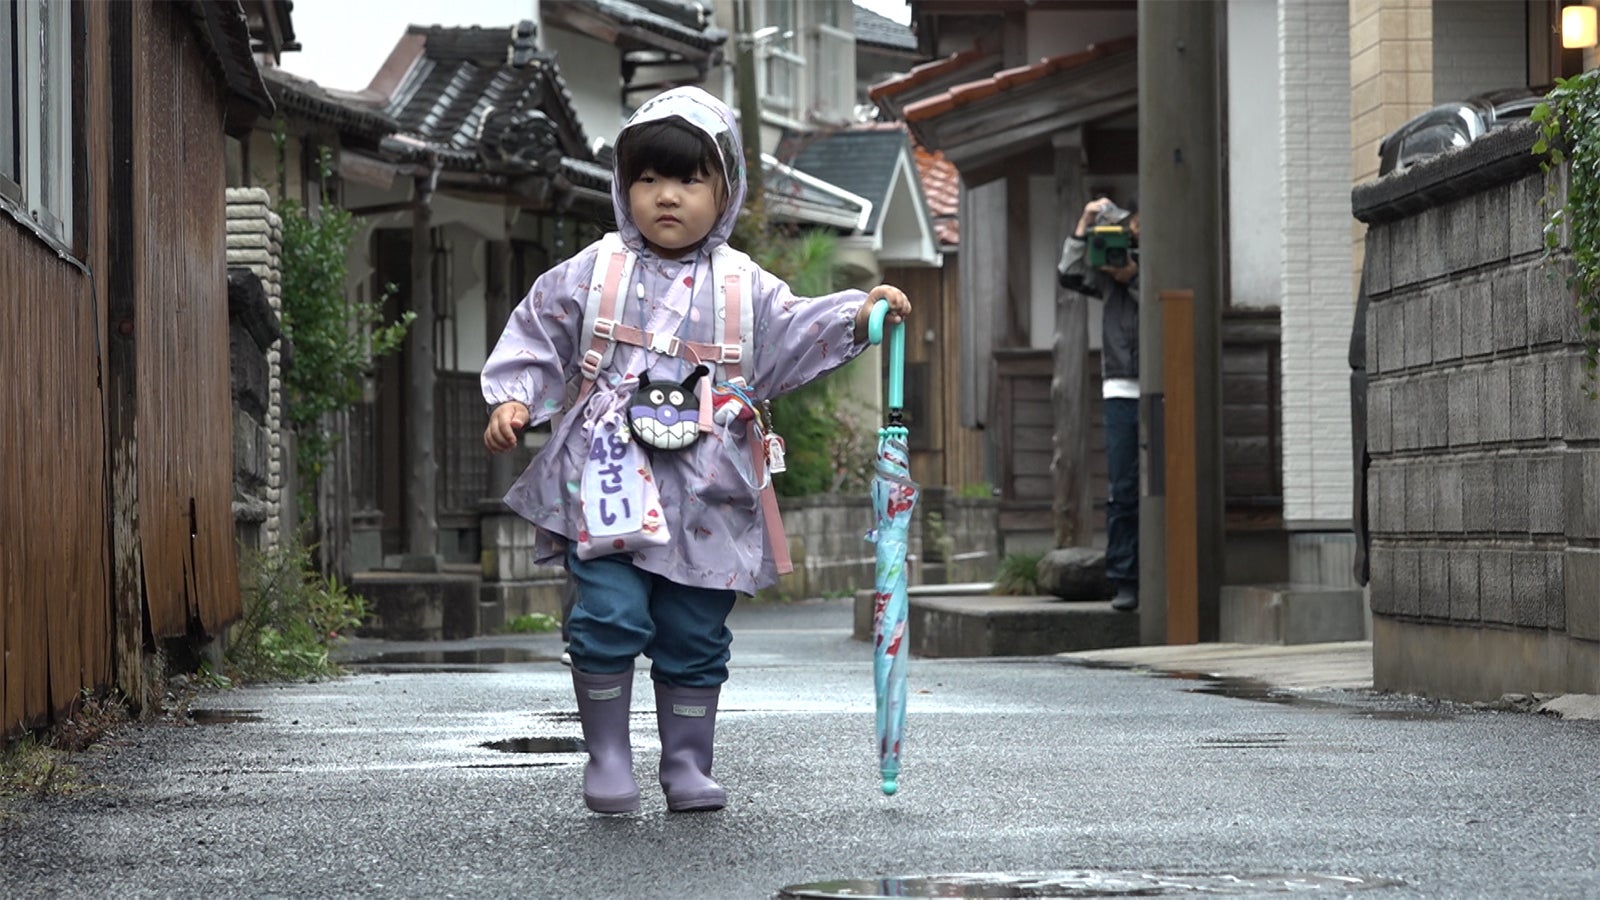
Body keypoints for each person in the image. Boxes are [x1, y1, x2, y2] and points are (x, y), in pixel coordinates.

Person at [480, 86, 911, 815]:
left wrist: (860, 314)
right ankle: (608, 757)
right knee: (608, 613)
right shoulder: (594, 270)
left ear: (725, 190)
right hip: (609, 476)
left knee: (694, 627)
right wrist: (516, 398)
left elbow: (797, 328)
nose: (666, 196)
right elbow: (539, 330)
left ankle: (686, 763)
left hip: (710, 488)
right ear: (624, 188)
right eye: (647, 178)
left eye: (688, 179)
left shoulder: (744, 285)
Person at [1058, 195, 1140, 612]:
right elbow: (1069, 274)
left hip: (1167, 383)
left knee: (1167, 487)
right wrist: (1084, 224)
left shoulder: (1165, 260)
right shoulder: (1107, 266)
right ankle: (1125, 578)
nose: (1133, 233)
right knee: (1122, 488)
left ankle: (1161, 572)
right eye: (1130, 227)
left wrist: (1136, 276)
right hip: (1121, 386)